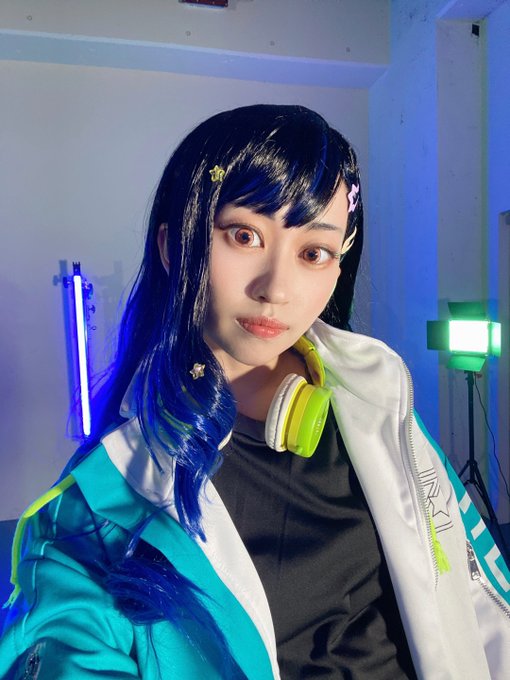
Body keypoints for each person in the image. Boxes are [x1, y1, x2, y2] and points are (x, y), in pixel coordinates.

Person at [0, 104, 508, 679]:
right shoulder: (93, 512)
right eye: (244, 236)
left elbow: (484, 602)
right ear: (173, 247)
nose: (277, 288)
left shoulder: (381, 406)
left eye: (313, 252)